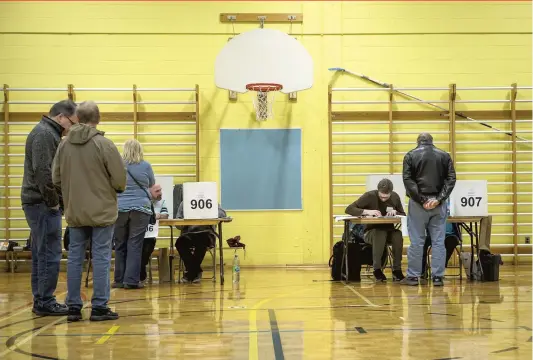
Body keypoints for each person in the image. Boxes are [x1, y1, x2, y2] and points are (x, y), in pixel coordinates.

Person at [52, 100, 126, 321]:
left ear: (76, 118)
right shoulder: (104, 144)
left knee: (75, 257)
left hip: (75, 210)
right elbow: (120, 180)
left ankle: (73, 306)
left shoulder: (63, 145)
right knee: (101, 257)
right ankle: (100, 307)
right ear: (98, 119)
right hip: (102, 210)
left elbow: (56, 178)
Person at [22, 99, 77, 316]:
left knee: (42, 252)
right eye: (72, 122)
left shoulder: (48, 133)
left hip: (39, 203)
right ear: (62, 117)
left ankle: (42, 299)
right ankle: (45, 301)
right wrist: (54, 202)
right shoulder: (45, 134)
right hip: (41, 203)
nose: (71, 128)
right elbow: (43, 173)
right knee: (49, 253)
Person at [401, 133, 456, 287]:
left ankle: (413, 277)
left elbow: (408, 180)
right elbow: (451, 178)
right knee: (438, 242)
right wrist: (439, 199)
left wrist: (422, 200)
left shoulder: (410, 155)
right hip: (439, 205)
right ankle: (438, 277)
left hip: (418, 204)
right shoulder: (444, 156)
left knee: (417, 242)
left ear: (418, 141)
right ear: (432, 142)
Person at [345, 178, 406, 282]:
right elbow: (349, 209)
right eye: (381, 196)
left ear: (391, 193)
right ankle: (377, 269)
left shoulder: (395, 197)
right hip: (370, 232)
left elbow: (403, 214)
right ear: (378, 191)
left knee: (398, 234)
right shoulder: (369, 196)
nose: (383, 199)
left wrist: (396, 213)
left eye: (386, 197)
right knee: (380, 233)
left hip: (389, 231)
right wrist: (366, 212)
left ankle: (397, 269)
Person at [113, 139, 155, 289]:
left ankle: (118, 280)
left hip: (120, 208)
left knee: (119, 244)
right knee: (135, 244)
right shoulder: (146, 165)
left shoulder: (118, 166)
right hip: (140, 209)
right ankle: (131, 281)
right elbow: (151, 184)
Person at [176, 201, 227, 283]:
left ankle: (190, 273)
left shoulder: (209, 200)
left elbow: (223, 214)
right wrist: (186, 220)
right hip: (189, 234)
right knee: (179, 243)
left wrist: (207, 212)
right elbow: (177, 224)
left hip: (206, 233)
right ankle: (195, 271)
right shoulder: (184, 203)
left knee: (201, 241)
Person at [140, 184, 169, 283]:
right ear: (149, 192)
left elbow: (166, 215)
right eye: (157, 191)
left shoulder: (161, 202)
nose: (160, 193)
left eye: (160, 190)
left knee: (146, 250)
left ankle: (141, 277)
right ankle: (141, 276)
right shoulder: (141, 201)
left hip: (150, 235)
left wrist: (159, 215)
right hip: (138, 235)